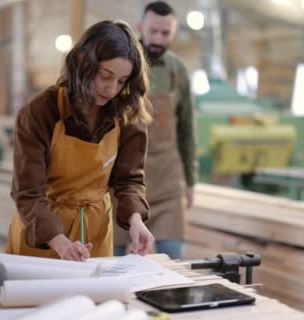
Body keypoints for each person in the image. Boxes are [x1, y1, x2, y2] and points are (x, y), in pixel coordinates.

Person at [6, 20, 155, 261]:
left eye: (121, 81)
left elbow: (128, 180)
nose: (111, 89)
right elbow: (28, 192)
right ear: (83, 61)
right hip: (43, 235)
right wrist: (60, 242)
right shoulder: (41, 111)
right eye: (106, 75)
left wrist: (136, 220)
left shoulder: (126, 115)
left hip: (95, 231)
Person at [114, 1, 197, 260]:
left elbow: (186, 129)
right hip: (122, 181)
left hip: (166, 183)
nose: (159, 39)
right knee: (111, 259)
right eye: (154, 32)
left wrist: (191, 181)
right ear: (140, 27)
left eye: (166, 33)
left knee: (174, 260)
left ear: (173, 32)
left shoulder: (178, 71)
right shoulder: (122, 65)